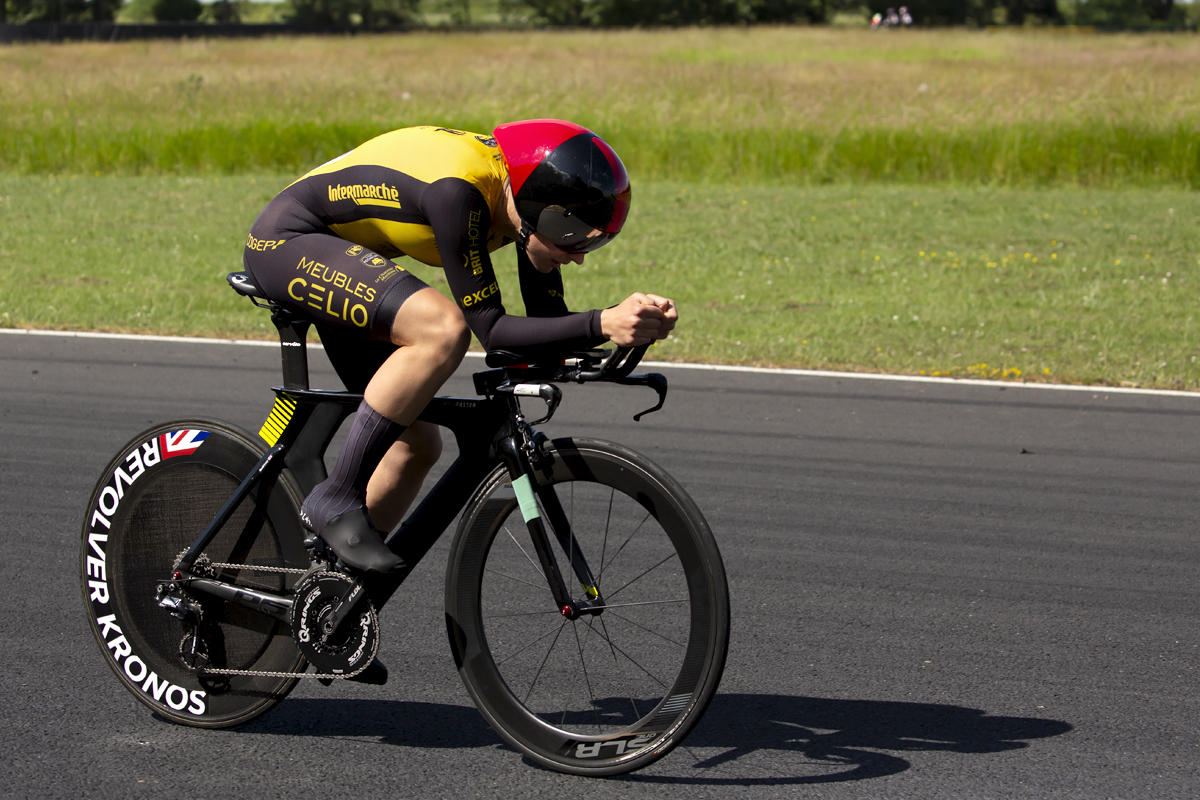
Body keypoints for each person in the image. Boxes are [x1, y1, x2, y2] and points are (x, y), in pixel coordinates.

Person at [243, 120, 676, 574]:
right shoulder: (460, 194)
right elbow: (491, 331)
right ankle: (335, 497)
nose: (580, 254)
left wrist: (627, 328)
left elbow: (545, 330)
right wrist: (605, 321)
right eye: (573, 236)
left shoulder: (522, 201)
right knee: (443, 328)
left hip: (338, 251)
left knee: (415, 444)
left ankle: (331, 592)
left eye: (594, 240)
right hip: (288, 241)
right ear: (538, 209)